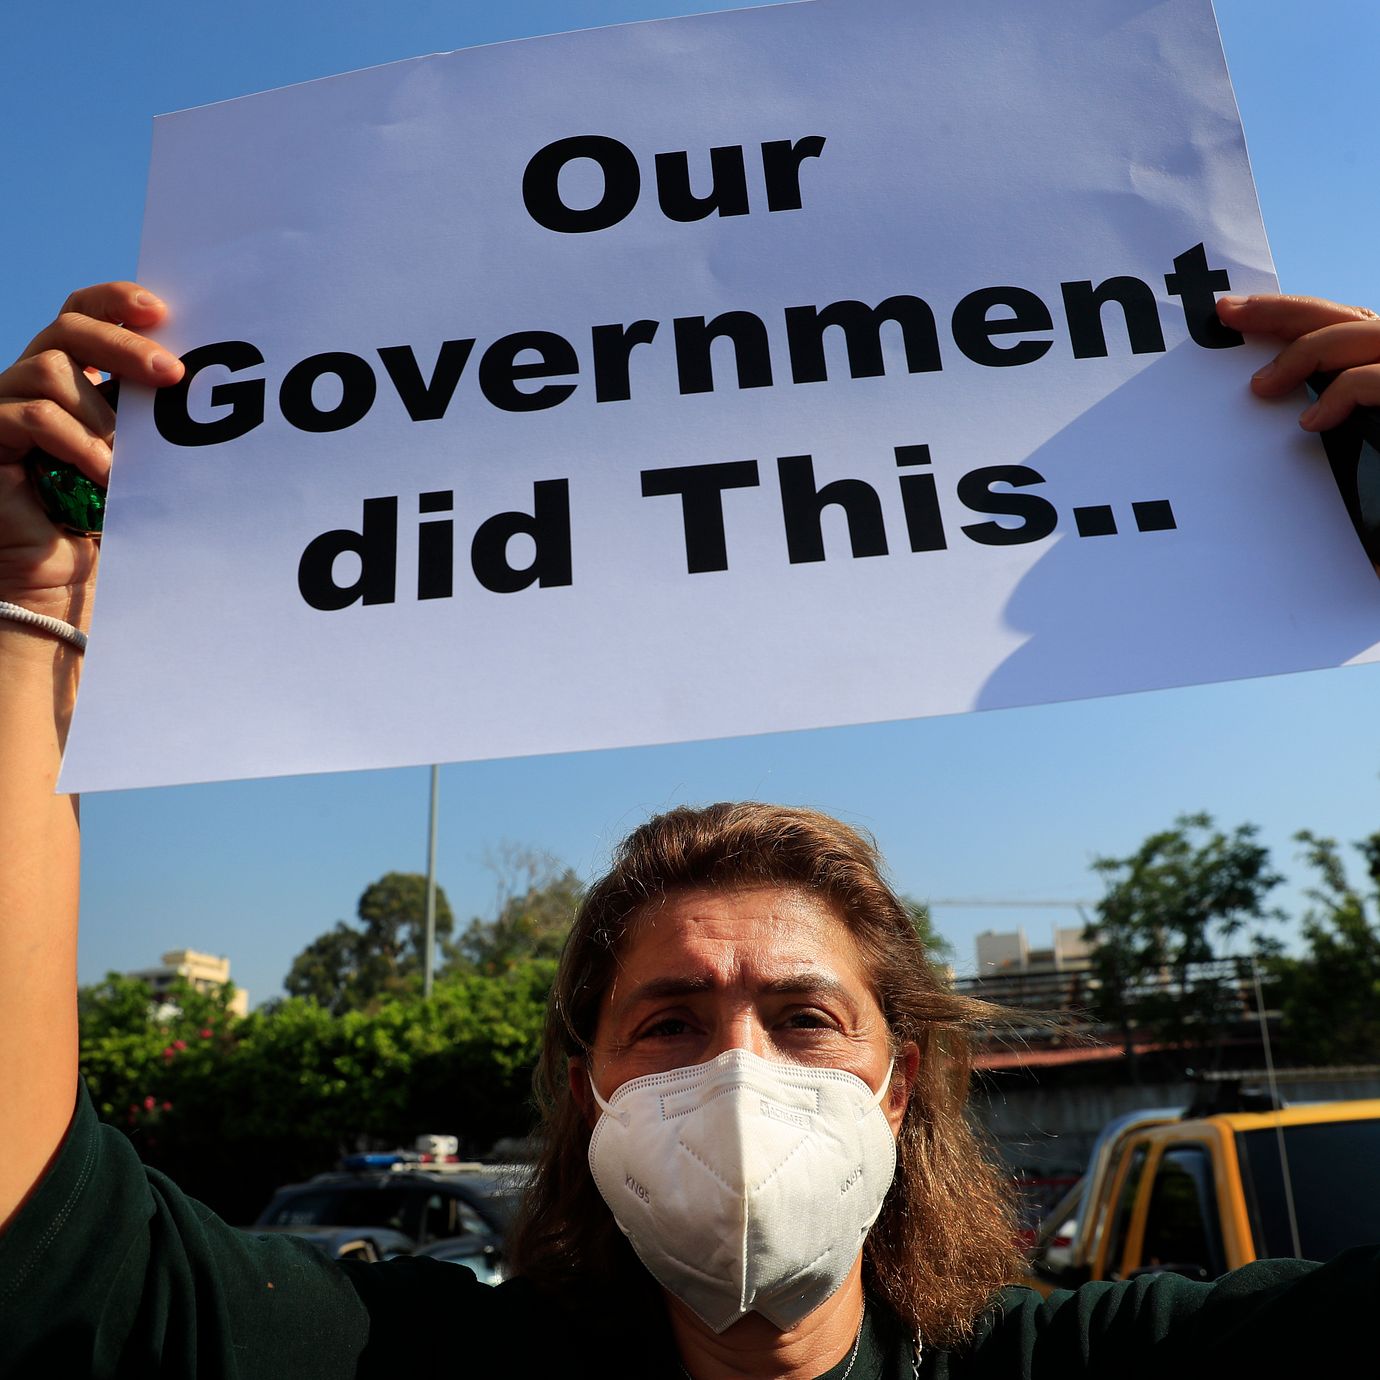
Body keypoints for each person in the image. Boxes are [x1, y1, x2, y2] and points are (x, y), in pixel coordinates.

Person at [1, 284, 1379, 1378]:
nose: (737, 1072)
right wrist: (23, 613)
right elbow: (44, 1250)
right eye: (666, 1022)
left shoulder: (1091, 1360)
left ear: (900, 1085)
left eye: (805, 1017)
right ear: (589, 1091)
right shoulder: (428, 1360)